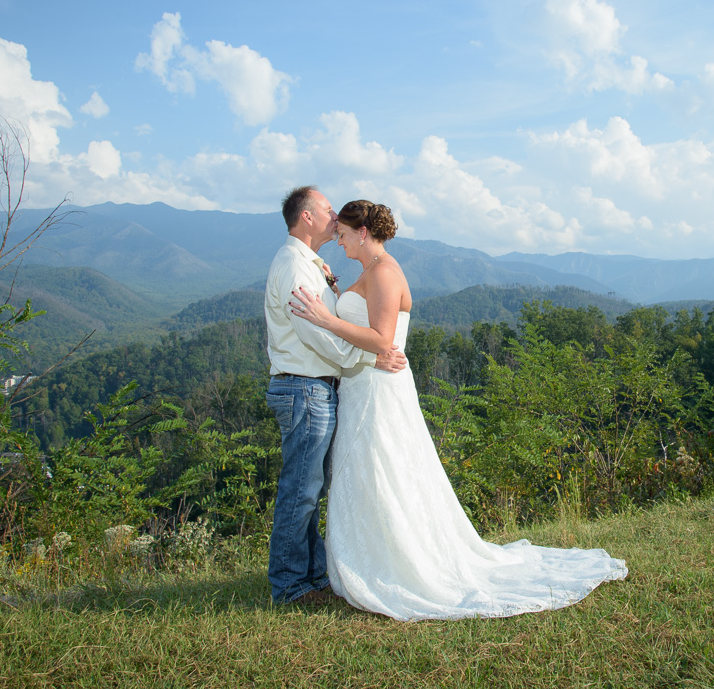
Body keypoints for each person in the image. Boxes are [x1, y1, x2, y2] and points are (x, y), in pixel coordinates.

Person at [290, 200, 627, 621]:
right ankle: (372, 556)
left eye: (341, 235)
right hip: (364, 385)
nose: (337, 241)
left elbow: (382, 339)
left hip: (378, 388)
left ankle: (395, 564)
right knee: (371, 471)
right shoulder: (371, 272)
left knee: (382, 468)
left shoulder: (384, 272)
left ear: (362, 232)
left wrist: (326, 318)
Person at [264, 186, 406, 605]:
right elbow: (314, 334)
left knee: (309, 485)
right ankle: (291, 586)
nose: (333, 216)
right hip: (304, 386)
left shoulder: (310, 264)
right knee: (302, 488)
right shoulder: (295, 266)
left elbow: (328, 327)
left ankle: (310, 574)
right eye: (327, 210)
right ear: (306, 217)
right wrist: (365, 362)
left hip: (316, 387)